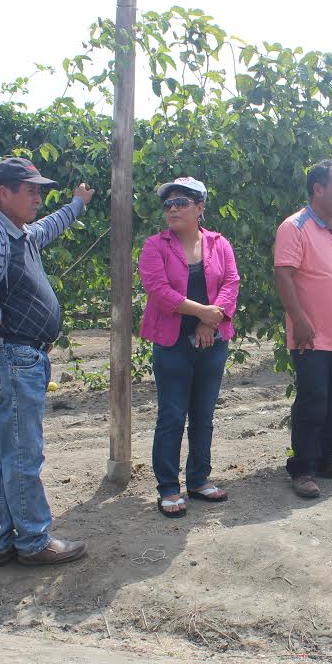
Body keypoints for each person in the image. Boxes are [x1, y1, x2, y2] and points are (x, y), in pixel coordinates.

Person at [0, 158, 94, 568]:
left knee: (2, 455)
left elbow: (49, 227)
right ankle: (32, 540)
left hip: (20, 357)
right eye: (31, 191)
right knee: (24, 453)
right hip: (13, 357)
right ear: (4, 193)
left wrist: (77, 204)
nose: (38, 199)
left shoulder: (18, 233)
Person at [138, 177, 240, 517]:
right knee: (171, 416)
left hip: (212, 342)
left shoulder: (219, 243)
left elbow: (230, 282)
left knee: (203, 416)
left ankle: (198, 479)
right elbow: (158, 289)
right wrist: (202, 313)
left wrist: (208, 323)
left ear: (199, 207)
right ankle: (168, 487)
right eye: (168, 204)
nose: (172, 209)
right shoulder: (155, 246)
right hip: (172, 344)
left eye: (181, 202)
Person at [273, 160, 332, 498]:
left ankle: (328, 458)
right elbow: (284, 276)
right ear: (317, 189)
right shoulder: (294, 228)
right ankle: (303, 467)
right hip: (311, 334)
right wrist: (300, 320)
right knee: (314, 401)